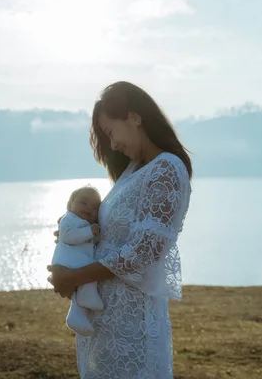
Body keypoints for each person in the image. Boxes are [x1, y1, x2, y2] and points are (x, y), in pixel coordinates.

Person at [47, 81, 193, 378]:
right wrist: (76, 230)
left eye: (110, 132)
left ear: (134, 117)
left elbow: (144, 252)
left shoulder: (166, 169)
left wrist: (75, 277)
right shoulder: (132, 171)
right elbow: (115, 235)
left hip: (133, 327)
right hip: (108, 325)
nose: (112, 145)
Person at [51, 185, 104, 337]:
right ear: (70, 204)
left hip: (78, 260)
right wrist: (89, 231)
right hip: (69, 260)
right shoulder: (68, 219)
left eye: (95, 207)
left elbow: (91, 241)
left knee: (82, 286)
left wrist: (97, 236)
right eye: (83, 203)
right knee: (83, 280)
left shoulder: (84, 222)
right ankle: (84, 302)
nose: (89, 208)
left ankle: (76, 315)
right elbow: (67, 236)